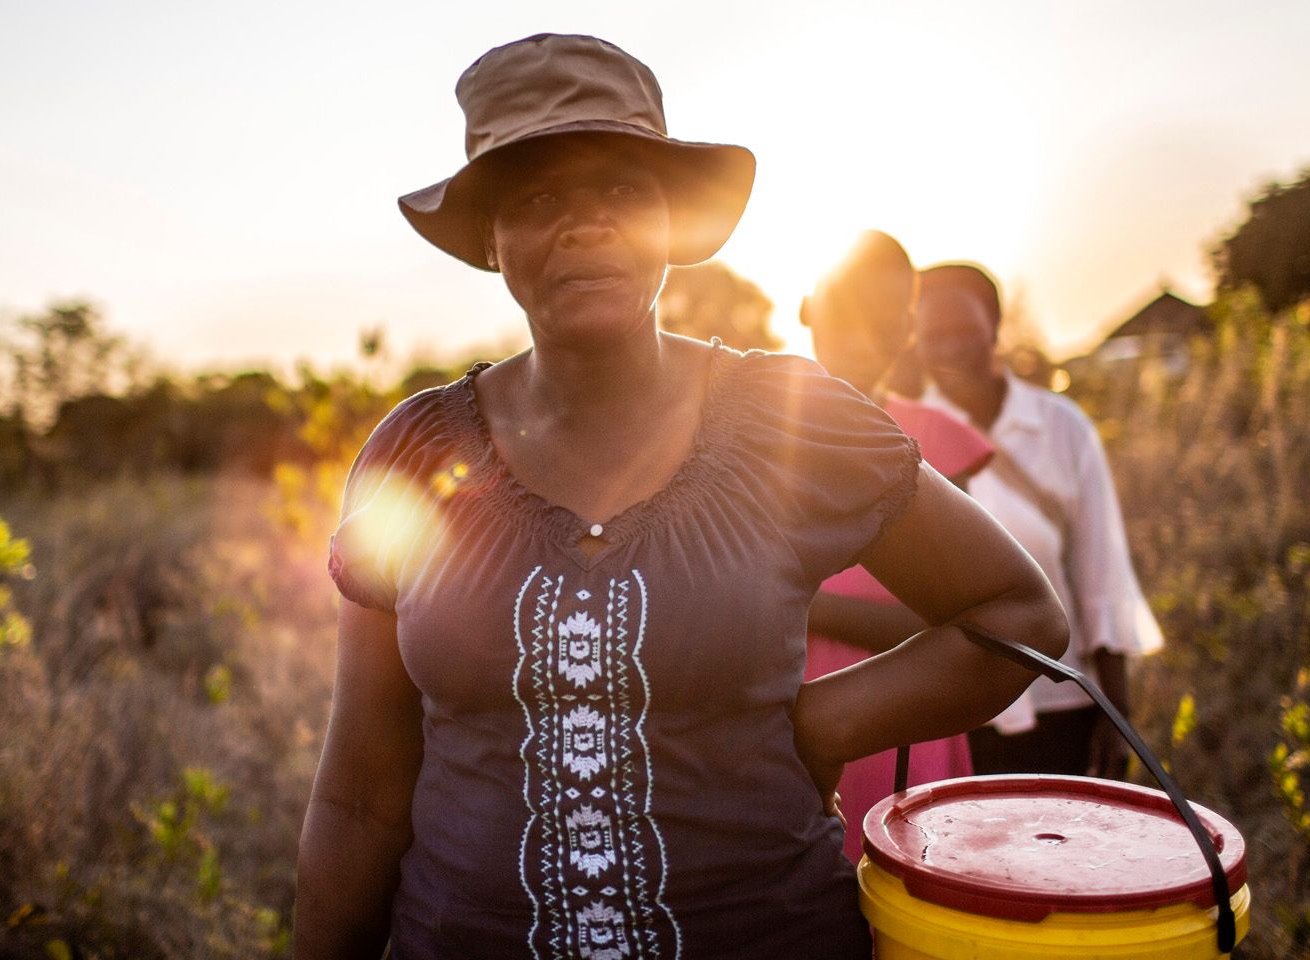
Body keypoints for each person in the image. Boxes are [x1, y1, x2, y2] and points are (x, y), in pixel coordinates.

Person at [294, 35, 1068, 959]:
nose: (587, 226)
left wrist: (828, 721)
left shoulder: (792, 422)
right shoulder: (418, 455)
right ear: (491, 240)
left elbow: (1018, 613)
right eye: (536, 198)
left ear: (669, 221)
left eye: (622, 190)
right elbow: (360, 796)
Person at [910, 262, 1165, 779]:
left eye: (964, 330)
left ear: (995, 327)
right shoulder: (905, 438)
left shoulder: (1063, 428)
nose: (951, 348)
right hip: (957, 717)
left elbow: (1102, 574)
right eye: (935, 336)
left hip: (1064, 701)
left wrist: (1117, 715)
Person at [796, 231, 988, 865]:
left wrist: (804, 603)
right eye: (844, 309)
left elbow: (962, 618)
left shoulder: (935, 441)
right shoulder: (756, 436)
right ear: (808, 310)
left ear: (908, 328)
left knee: (903, 888)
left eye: (883, 317)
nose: (861, 333)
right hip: (779, 732)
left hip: (905, 726)